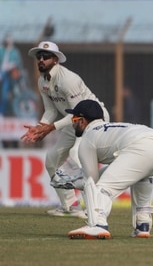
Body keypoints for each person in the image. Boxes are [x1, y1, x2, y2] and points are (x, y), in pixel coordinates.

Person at [58, 99, 153, 239]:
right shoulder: (113, 127)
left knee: (102, 189)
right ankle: (142, 224)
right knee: (141, 175)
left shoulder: (88, 138)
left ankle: (97, 225)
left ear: (82, 121)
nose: (73, 123)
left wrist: (73, 182)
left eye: (74, 119)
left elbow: (91, 182)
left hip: (142, 147)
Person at [20, 41, 110, 218]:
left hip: (92, 119)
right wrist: (39, 129)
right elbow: (51, 111)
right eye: (39, 56)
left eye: (46, 57)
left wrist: (50, 128)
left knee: (78, 156)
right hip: (74, 122)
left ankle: (93, 208)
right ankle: (70, 205)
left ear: (55, 59)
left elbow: (79, 113)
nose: (41, 60)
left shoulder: (68, 79)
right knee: (52, 160)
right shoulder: (42, 82)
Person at [0, 34, 23, 116]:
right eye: (7, 41)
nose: (8, 43)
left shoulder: (15, 52)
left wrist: (13, 65)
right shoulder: (1, 50)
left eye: (10, 41)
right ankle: (2, 112)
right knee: (4, 94)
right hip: (3, 74)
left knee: (13, 94)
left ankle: (18, 112)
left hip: (12, 75)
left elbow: (18, 63)